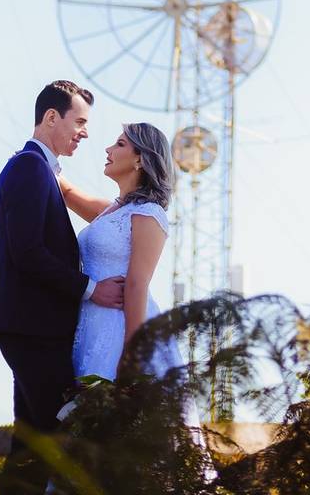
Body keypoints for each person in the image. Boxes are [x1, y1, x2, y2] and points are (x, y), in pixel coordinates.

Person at [0, 80, 125, 493]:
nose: (86, 132)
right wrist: (93, 289)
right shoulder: (27, 168)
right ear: (51, 117)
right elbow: (27, 251)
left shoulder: (41, 171)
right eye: (79, 121)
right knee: (66, 434)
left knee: (32, 447)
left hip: (33, 328)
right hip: (30, 328)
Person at [59, 122, 202, 430]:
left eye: (120, 144)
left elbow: (137, 285)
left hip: (122, 331)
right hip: (91, 327)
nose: (109, 150)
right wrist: (41, 151)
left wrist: (131, 360)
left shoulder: (148, 213)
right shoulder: (111, 211)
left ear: (140, 158)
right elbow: (68, 192)